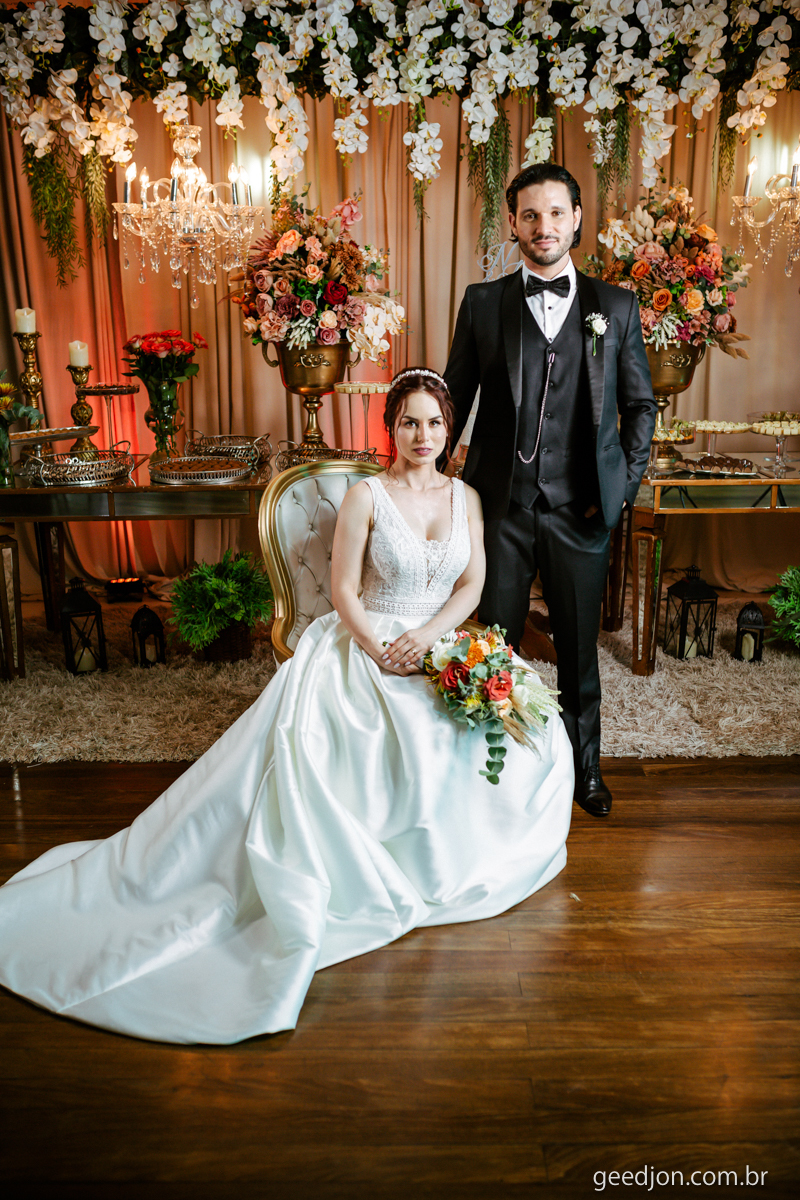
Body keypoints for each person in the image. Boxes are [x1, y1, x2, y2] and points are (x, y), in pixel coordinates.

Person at [0, 369, 574, 1046]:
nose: (423, 436)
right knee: (381, 735)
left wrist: (431, 638)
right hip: (369, 642)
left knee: (531, 731)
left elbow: (472, 583)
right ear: (391, 428)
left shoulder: (466, 497)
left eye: (435, 423)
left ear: (449, 430)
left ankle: (468, 854)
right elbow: (343, 591)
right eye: (409, 422)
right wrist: (382, 649)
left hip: (440, 639)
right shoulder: (365, 496)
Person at [444, 164, 656, 819]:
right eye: (531, 215)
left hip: (582, 511)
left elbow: (639, 406)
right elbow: (452, 401)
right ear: (512, 222)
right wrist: (428, 480)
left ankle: (584, 770)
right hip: (499, 510)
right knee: (493, 651)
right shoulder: (483, 303)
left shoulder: (615, 306)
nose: (544, 227)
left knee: (579, 654)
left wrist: (620, 489)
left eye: (556, 213)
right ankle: (494, 778)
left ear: (577, 218)